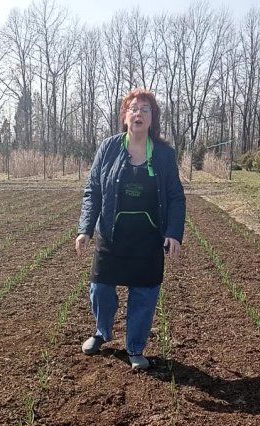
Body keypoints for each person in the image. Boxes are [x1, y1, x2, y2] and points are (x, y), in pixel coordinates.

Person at [75, 88, 185, 370]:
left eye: (145, 109)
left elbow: (175, 195)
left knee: (145, 293)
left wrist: (173, 232)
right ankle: (102, 331)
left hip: (148, 239)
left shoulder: (163, 154)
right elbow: (93, 191)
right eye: (133, 108)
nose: (138, 113)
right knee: (99, 287)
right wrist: (85, 229)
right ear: (125, 116)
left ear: (152, 119)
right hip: (112, 234)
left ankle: (135, 347)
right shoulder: (109, 147)